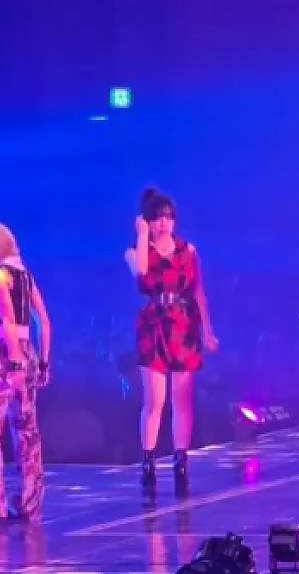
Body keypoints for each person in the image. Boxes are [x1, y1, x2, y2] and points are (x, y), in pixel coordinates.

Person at [124, 187, 218, 488]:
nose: (163, 223)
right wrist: (141, 234)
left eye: (167, 217)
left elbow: (198, 290)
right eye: (156, 218)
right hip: (154, 325)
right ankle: (148, 460)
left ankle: (181, 459)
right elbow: (142, 274)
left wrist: (207, 329)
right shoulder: (135, 251)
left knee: (182, 398)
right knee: (155, 400)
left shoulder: (188, 250)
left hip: (184, 324)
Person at [0, 223, 52, 520]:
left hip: (7, 355)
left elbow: (7, 320)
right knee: (26, 429)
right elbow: (43, 321)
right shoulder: (24, 275)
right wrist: (43, 361)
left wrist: (13, 362)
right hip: (29, 353)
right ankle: (30, 501)